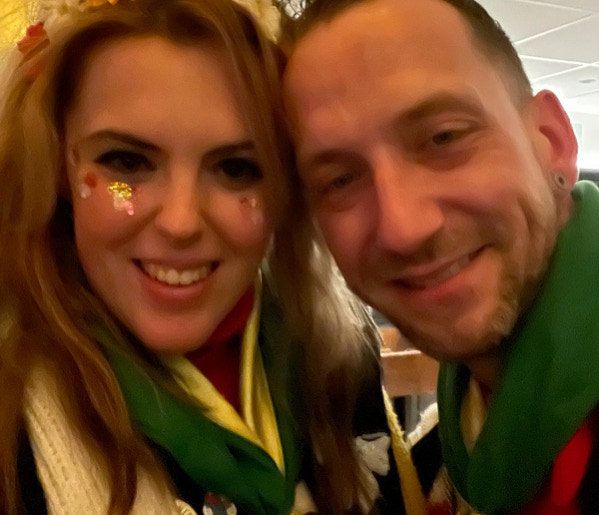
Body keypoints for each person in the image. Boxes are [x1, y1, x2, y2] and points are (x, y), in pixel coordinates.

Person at [0, 0, 447, 513]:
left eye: (237, 169)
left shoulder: (338, 353)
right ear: (59, 163)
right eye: (127, 162)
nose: (181, 222)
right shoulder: (12, 417)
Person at [281, 0, 599, 513]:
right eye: (339, 180)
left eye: (444, 137)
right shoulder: (441, 456)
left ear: (553, 141)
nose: (403, 229)